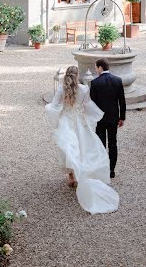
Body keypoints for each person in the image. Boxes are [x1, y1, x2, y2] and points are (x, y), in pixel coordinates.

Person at [45, 65, 119, 214]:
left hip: (66, 121)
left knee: (68, 148)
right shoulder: (84, 89)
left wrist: (53, 113)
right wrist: (96, 116)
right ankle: (81, 174)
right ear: (77, 75)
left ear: (66, 75)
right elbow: (87, 106)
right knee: (84, 147)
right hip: (79, 122)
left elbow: (54, 106)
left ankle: (72, 176)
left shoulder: (61, 89)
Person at [90, 58, 126, 179]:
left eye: (96, 67)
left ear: (100, 67)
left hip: (100, 119)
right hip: (113, 118)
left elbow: (92, 104)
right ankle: (111, 170)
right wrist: (122, 117)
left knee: (101, 144)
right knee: (112, 143)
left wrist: (91, 118)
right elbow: (122, 101)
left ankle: (102, 168)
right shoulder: (118, 80)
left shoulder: (95, 83)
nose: (96, 70)